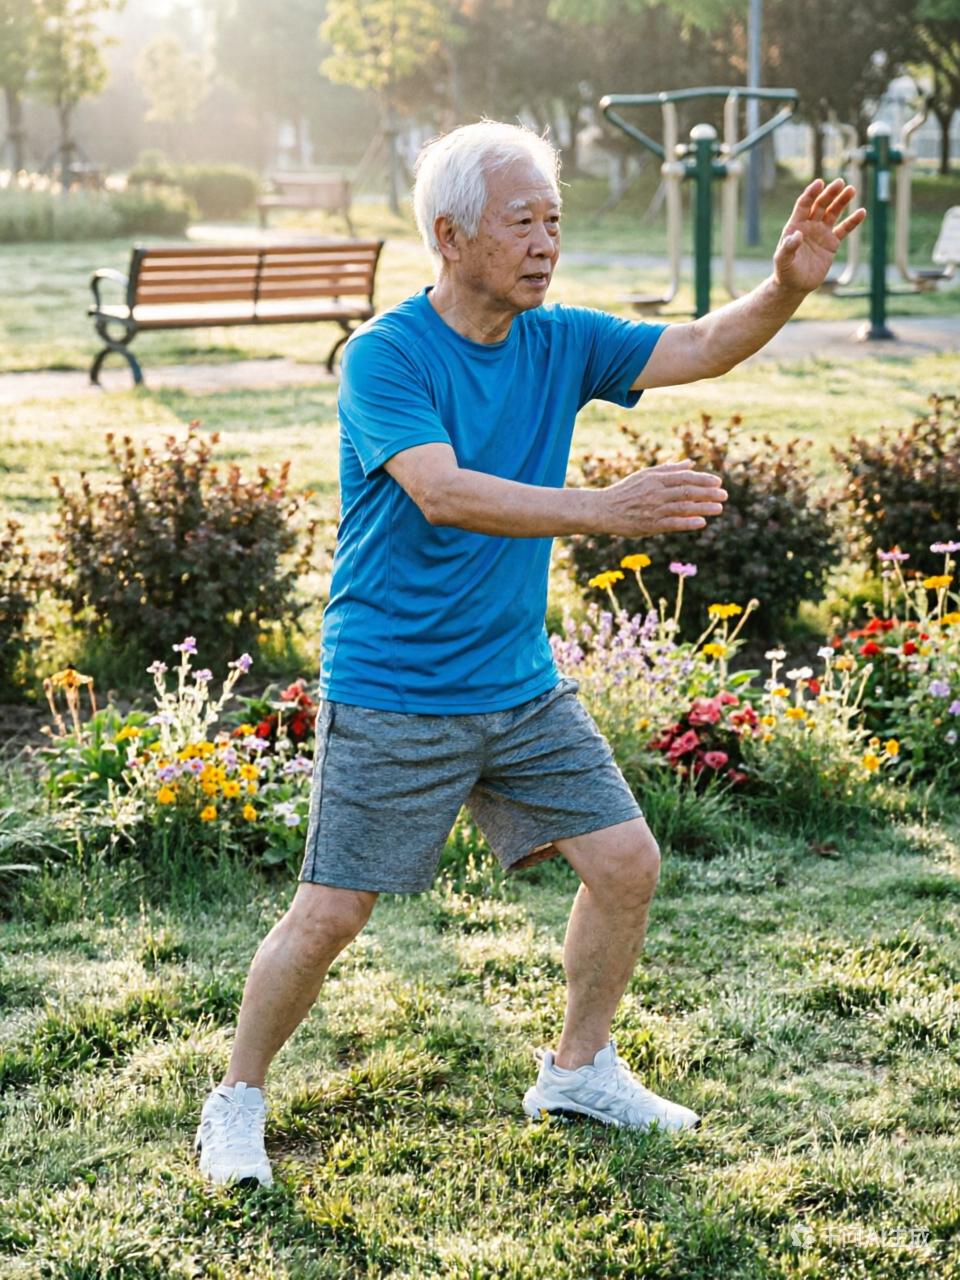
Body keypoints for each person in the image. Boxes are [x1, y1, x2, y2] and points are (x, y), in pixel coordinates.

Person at [194, 121, 865, 1186]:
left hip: (517, 682)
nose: (547, 242)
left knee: (627, 863)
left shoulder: (559, 340)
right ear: (450, 235)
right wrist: (605, 509)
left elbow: (698, 345)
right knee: (332, 911)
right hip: (396, 682)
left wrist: (785, 287)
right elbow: (441, 491)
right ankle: (235, 1100)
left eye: (555, 220)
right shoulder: (387, 355)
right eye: (522, 222)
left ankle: (578, 1069)